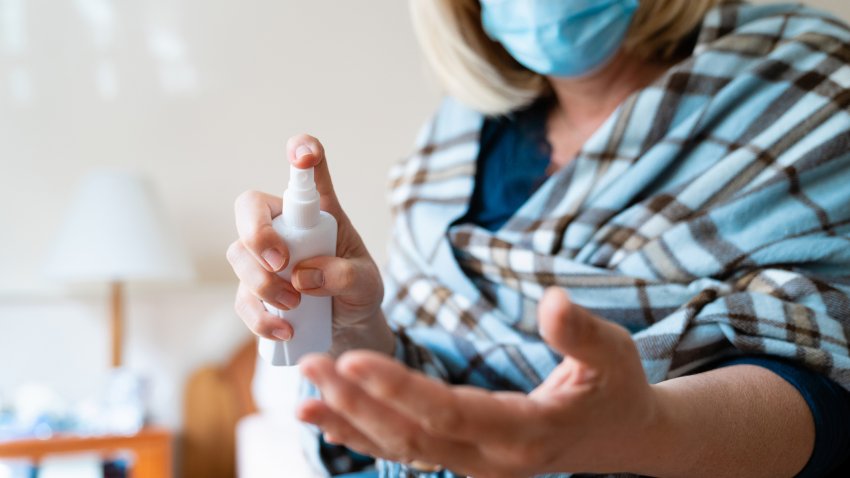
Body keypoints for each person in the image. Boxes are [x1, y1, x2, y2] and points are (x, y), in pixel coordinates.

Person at [226, 0, 850, 476]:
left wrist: (646, 428)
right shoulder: (455, 136)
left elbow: (828, 365)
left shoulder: (813, 87)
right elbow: (420, 381)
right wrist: (350, 329)